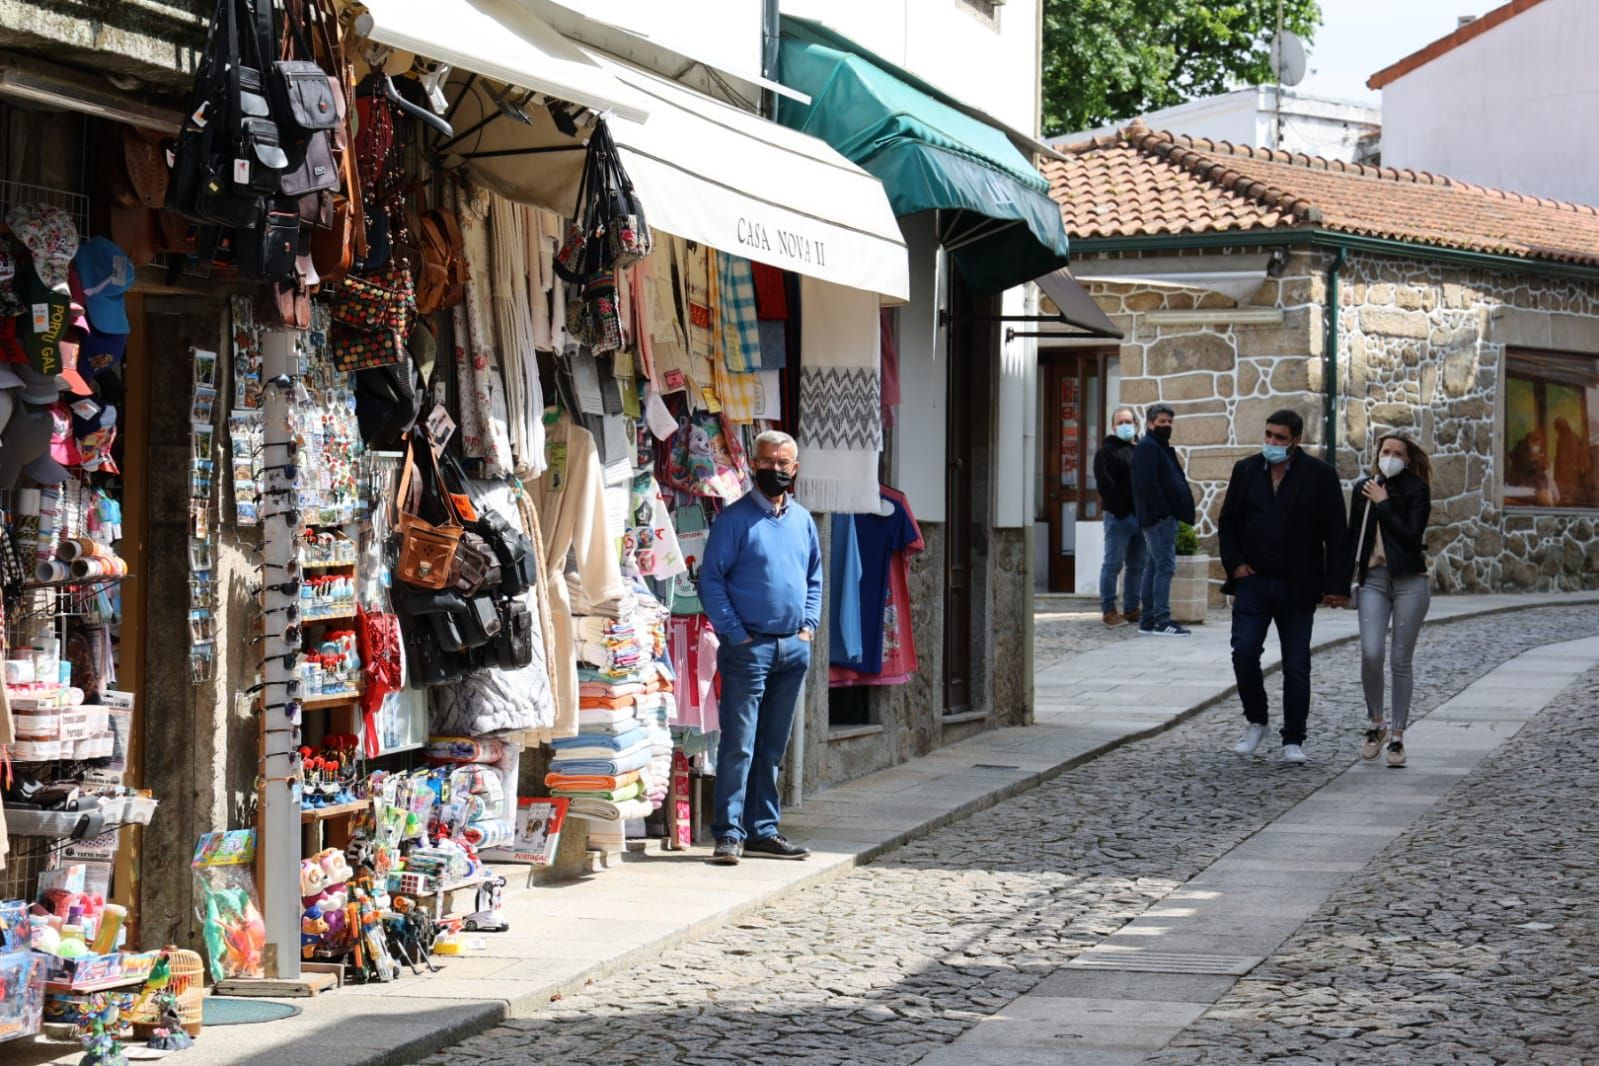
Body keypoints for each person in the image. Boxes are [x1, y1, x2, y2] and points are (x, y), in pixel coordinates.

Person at [698, 429, 821, 865]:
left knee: (772, 744)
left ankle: (763, 830)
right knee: (740, 743)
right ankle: (728, 832)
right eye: (766, 462)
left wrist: (807, 626)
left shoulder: (803, 520)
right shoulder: (733, 521)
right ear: (753, 465)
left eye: (782, 463)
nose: (773, 469)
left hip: (792, 647)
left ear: (795, 469)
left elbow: (813, 579)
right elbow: (710, 580)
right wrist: (735, 633)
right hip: (749, 647)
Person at [1218, 409, 1352, 763]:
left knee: (1296, 662)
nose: (1272, 443)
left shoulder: (1319, 476)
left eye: (1279, 437)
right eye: (1268, 435)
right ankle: (1256, 719)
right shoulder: (1246, 471)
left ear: (1296, 439)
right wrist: (1236, 565)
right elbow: (1228, 521)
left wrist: (1336, 584)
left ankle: (1294, 736)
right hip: (1253, 581)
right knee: (1244, 652)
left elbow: (1336, 533)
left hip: (1298, 583)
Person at [1349, 433, 1433, 769]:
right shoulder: (1363, 488)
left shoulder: (1416, 490)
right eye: (1385, 451)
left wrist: (1384, 502)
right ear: (1377, 454)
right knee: (1371, 652)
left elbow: (1412, 536)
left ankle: (1397, 736)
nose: (1390, 457)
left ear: (1408, 459)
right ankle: (1375, 723)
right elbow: (1353, 536)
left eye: (1398, 453)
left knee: (1400, 658)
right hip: (1373, 579)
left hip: (1410, 580)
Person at [1131, 403, 1195, 636]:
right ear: (1150, 423)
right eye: (1162, 422)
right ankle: (1162, 620)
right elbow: (1148, 484)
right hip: (1159, 519)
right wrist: (1163, 512)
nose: (1167, 426)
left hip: (1160, 517)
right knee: (1165, 567)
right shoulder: (1148, 447)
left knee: (1154, 566)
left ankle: (1148, 620)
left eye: (1169, 422)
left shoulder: (1157, 446)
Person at [1093, 406, 1145, 627]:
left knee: (1137, 565)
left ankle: (1132, 609)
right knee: (1113, 564)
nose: (1125, 426)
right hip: (1119, 517)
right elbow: (1106, 485)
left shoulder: (1141, 451)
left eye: (1128, 421)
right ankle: (1109, 610)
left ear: (1135, 424)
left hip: (1142, 518)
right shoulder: (1106, 452)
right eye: (1120, 422)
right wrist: (1122, 512)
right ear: (1114, 427)